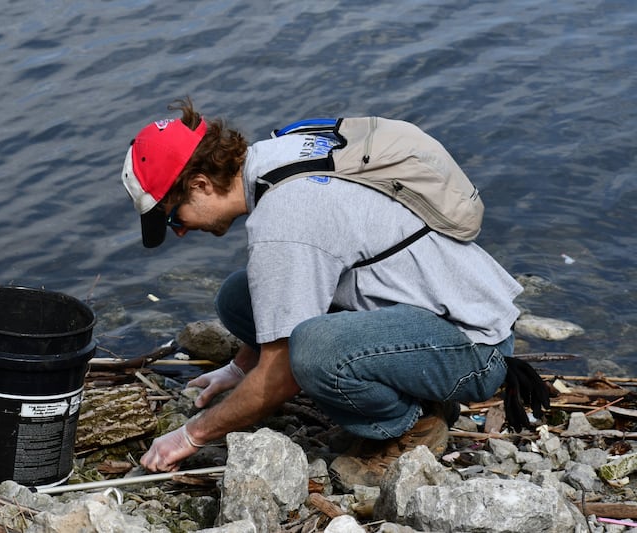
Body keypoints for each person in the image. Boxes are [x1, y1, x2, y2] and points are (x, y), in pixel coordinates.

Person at [120, 97, 548, 480]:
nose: (177, 233)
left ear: (200, 184)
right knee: (239, 297)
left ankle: (411, 425)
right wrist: (238, 369)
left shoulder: (284, 219)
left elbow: (283, 372)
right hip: (435, 310)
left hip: (473, 347)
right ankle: (405, 391)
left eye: (173, 218)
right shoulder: (278, 154)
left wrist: (190, 436)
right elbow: (282, 294)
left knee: (312, 352)